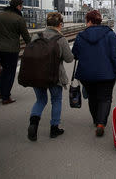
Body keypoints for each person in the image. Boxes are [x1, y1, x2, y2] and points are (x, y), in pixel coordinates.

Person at [72, 10, 116, 137]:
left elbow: (75, 54)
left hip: (86, 74)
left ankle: (96, 120)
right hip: (107, 74)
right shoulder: (109, 34)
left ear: (89, 21)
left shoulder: (80, 35)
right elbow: (115, 55)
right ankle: (101, 123)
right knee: (105, 98)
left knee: (92, 97)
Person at [27, 12, 74, 141]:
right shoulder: (61, 39)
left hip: (37, 75)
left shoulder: (36, 36)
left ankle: (33, 124)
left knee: (40, 100)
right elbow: (69, 59)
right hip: (55, 76)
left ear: (47, 24)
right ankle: (54, 129)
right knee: (56, 100)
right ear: (60, 24)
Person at [0, 0, 31, 105]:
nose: (22, 8)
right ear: (18, 6)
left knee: (4, 70)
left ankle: (2, 92)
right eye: (21, 6)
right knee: (10, 72)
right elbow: (26, 36)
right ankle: (6, 97)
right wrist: (32, 47)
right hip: (11, 50)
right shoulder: (18, 18)